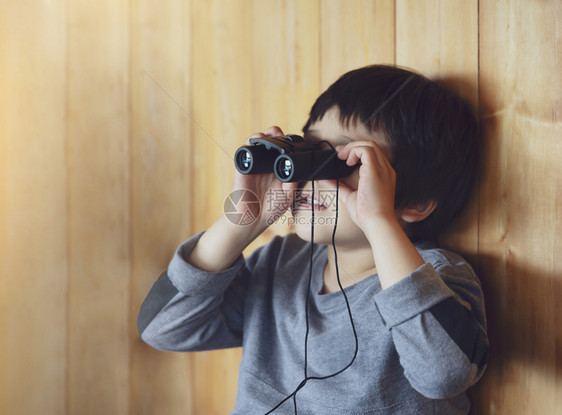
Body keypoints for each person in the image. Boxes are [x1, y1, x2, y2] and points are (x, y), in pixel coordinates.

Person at [137, 65, 488, 414]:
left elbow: (445, 374)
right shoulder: (281, 263)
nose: (314, 175)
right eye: (310, 150)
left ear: (416, 202)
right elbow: (161, 329)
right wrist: (239, 223)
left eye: (347, 159)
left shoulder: (437, 278)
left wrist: (377, 220)